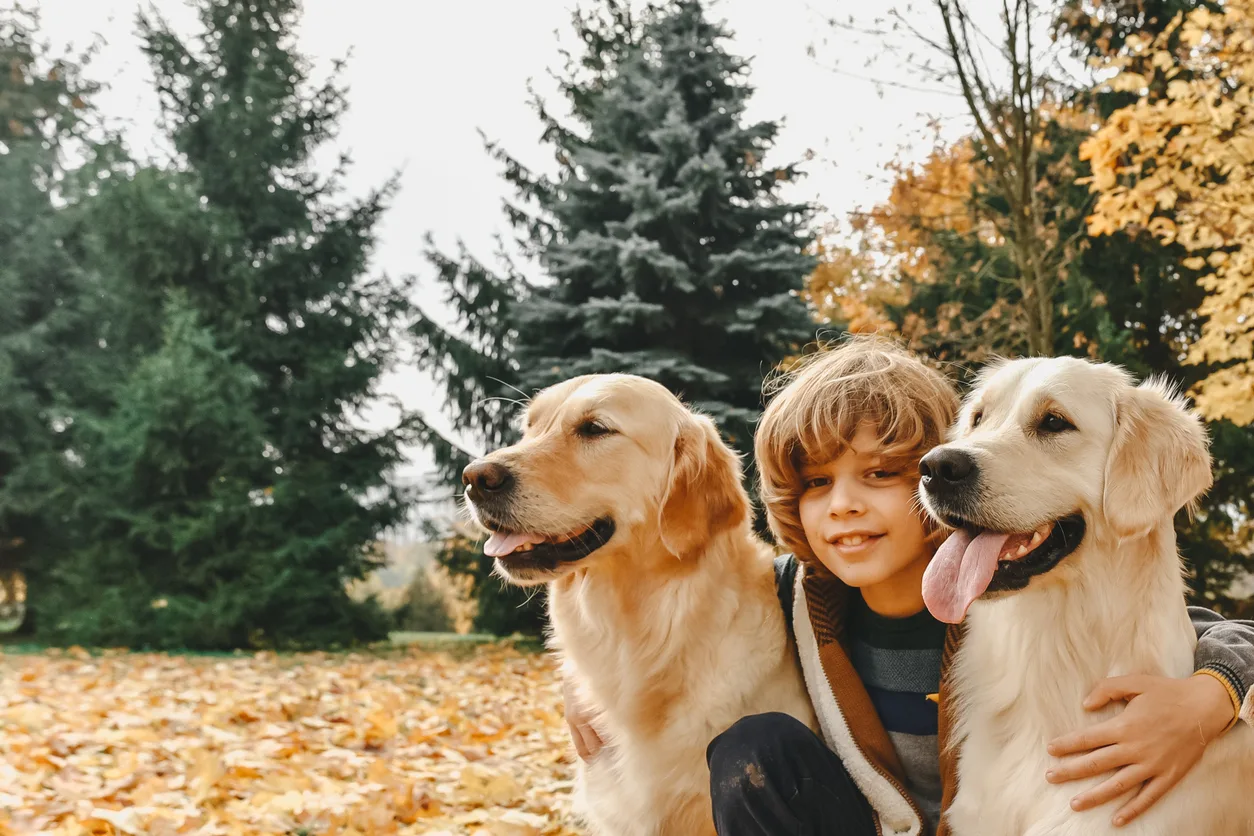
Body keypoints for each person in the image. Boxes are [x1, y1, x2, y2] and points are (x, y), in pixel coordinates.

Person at [562, 337, 1254, 835]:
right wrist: (589, 694)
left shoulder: (983, 584)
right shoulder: (795, 599)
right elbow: (680, 607)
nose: (843, 506)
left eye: (880, 473)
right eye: (815, 484)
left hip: (1040, 790)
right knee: (757, 752)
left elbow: (1213, 628)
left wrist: (1208, 697)